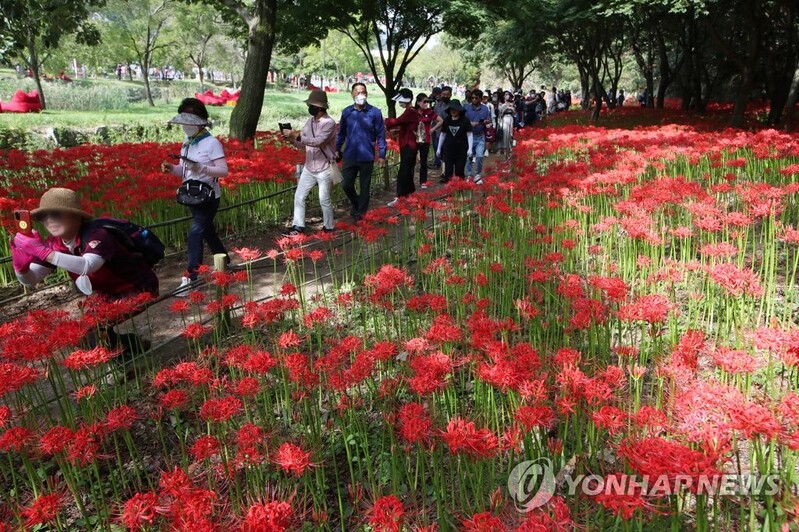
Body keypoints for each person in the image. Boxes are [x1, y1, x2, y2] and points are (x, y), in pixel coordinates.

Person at [11, 188, 158, 355]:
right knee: (80, 334)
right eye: (44, 216)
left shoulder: (98, 234)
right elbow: (32, 279)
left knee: (90, 330)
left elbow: (88, 265)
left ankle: (122, 365)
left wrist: (42, 252)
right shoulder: (54, 243)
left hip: (138, 289)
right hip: (107, 296)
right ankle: (133, 346)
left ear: (75, 215)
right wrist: (21, 269)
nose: (50, 220)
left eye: (56, 214)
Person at [160, 98, 229, 294]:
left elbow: (223, 171)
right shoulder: (187, 142)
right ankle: (226, 261)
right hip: (192, 195)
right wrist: (172, 168)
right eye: (183, 120)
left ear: (200, 121)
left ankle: (192, 276)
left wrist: (201, 167)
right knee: (207, 231)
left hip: (208, 196)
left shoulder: (211, 143)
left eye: (189, 121)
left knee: (195, 233)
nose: (185, 125)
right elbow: (185, 170)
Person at [282, 90, 337, 236]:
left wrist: (297, 135)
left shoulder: (329, 123)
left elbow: (318, 142)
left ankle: (329, 227)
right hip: (309, 166)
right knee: (299, 196)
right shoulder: (309, 122)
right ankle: (298, 226)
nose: (309, 107)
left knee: (324, 199)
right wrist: (293, 141)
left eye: (311, 105)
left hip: (324, 167)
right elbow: (305, 144)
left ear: (319, 107)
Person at [336, 83, 387, 222]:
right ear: (352, 94)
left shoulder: (375, 112)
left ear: (367, 94)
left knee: (365, 186)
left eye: (363, 92)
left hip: (367, 156)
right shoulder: (347, 112)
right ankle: (357, 204)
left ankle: (361, 214)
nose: (360, 95)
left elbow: (381, 135)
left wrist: (382, 155)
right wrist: (337, 149)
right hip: (350, 155)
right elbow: (341, 134)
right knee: (346, 184)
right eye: (357, 92)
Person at [384, 88, 421, 206]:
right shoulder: (411, 111)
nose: (400, 103)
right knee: (407, 171)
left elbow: (397, 121)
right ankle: (411, 193)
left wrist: (384, 120)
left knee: (404, 172)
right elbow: (404, 124)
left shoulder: (410, 111)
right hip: (408, 143)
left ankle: (400, 196)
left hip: (409, 145)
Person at [436, 99, 473, 184]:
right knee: (448, 173)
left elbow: (469, 135)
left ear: (459, 110)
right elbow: (443, 134)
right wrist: (438, 148)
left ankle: (459, 190)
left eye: (455, 109)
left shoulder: (465, 121)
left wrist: (470, 149)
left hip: (461, 150)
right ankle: (449, 192)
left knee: (459, 171)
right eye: (451, 109)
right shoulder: (447, 120)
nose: (453, 111)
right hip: (448, 150)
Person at [416, 93, 442, 189]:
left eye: (427, 101)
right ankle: (409, 181)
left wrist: (432, 129)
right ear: (418, 102)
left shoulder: (430, 112)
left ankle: (423, 181)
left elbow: (440, 120)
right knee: (411, 161)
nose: (426, 103)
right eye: (424, 101)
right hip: (414, 139)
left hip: (425, 140)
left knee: (423, 161)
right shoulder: (414, 112)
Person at [465, 89, 491, 184]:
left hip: (480, 135)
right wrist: (469, 123)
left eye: (476, 98)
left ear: (480, 98)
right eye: (472, 98)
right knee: (469, 156)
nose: (474, 99)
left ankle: (478, 174)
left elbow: (488, 120)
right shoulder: (467, 108)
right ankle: (469, 174)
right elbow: (463, 120)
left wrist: (486, 121)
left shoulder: (485, 108)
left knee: (480, 155)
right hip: (469, 136)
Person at [432, 86, 452, 171]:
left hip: (450, 133)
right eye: (443, 94)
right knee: (439, 151)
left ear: (450, 95)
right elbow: (434, 117)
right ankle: (443, 170)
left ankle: (446, 171)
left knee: (447, 153)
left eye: (447, 94)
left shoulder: (453, 105)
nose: (445, 96)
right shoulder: (437, 105)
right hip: (438, 132)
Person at [497, 91, 515, 157]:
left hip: (510, 119)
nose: (507, 96)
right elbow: (500, 110)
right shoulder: (501, 103)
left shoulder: (512, 103)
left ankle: (508, 148)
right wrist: (507, 106)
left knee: (510, 134)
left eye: (508, 95)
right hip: (503, 119)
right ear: (503, 96)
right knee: (503, 133)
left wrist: (511, 107)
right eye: (506, 95)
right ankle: (502, 148)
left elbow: (514, 111)